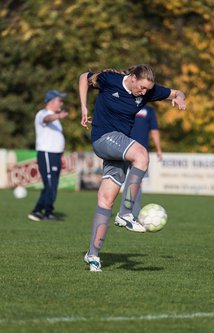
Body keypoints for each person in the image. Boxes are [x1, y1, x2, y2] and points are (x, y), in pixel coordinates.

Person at [79, 64, 186, 271]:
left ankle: (92, 255)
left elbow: (177, 92)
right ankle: (126, 212)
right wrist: (84, 107)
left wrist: (179, 97)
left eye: (147, 90)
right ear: (133, 77)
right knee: (142, 155)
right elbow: (84, 77)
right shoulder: (109, 80)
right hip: (103, 138)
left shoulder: (150, 91)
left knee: (105, 200)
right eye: (142, 88)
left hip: (119, 148)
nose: (144, 93)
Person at [28, 90, 68, 221]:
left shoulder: (55, 116)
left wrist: (61, 156)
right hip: (46, 154)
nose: (61, 102)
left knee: (53, 184)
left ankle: (47, 212)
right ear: (51, 102)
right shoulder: (43, 113)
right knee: (50, 184)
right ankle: (37, 211)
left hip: (55, 155)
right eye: (59, 100)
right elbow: (46, 119)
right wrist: (59, 116)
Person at [119, 105, 162, 220]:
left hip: (140, 154)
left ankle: (132, 212)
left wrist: (158, 149)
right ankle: (127, 213)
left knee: (137, 183)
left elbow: (154, 130)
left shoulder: (149, 110)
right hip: (124, 149)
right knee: (122, 182)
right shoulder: (126, 106)